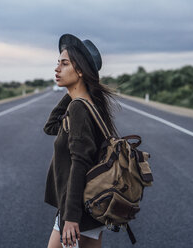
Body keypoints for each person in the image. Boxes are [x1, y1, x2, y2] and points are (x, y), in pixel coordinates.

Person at [43, 34, 118, 248]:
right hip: (89, 205)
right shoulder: (87, 105)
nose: (57, 68)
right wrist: (74, 91)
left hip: (77, 211)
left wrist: (71, 218)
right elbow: (50, 127)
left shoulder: (79, 109)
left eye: (64, 63)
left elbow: (80, 162)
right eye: (57, 63)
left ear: (80, 71)